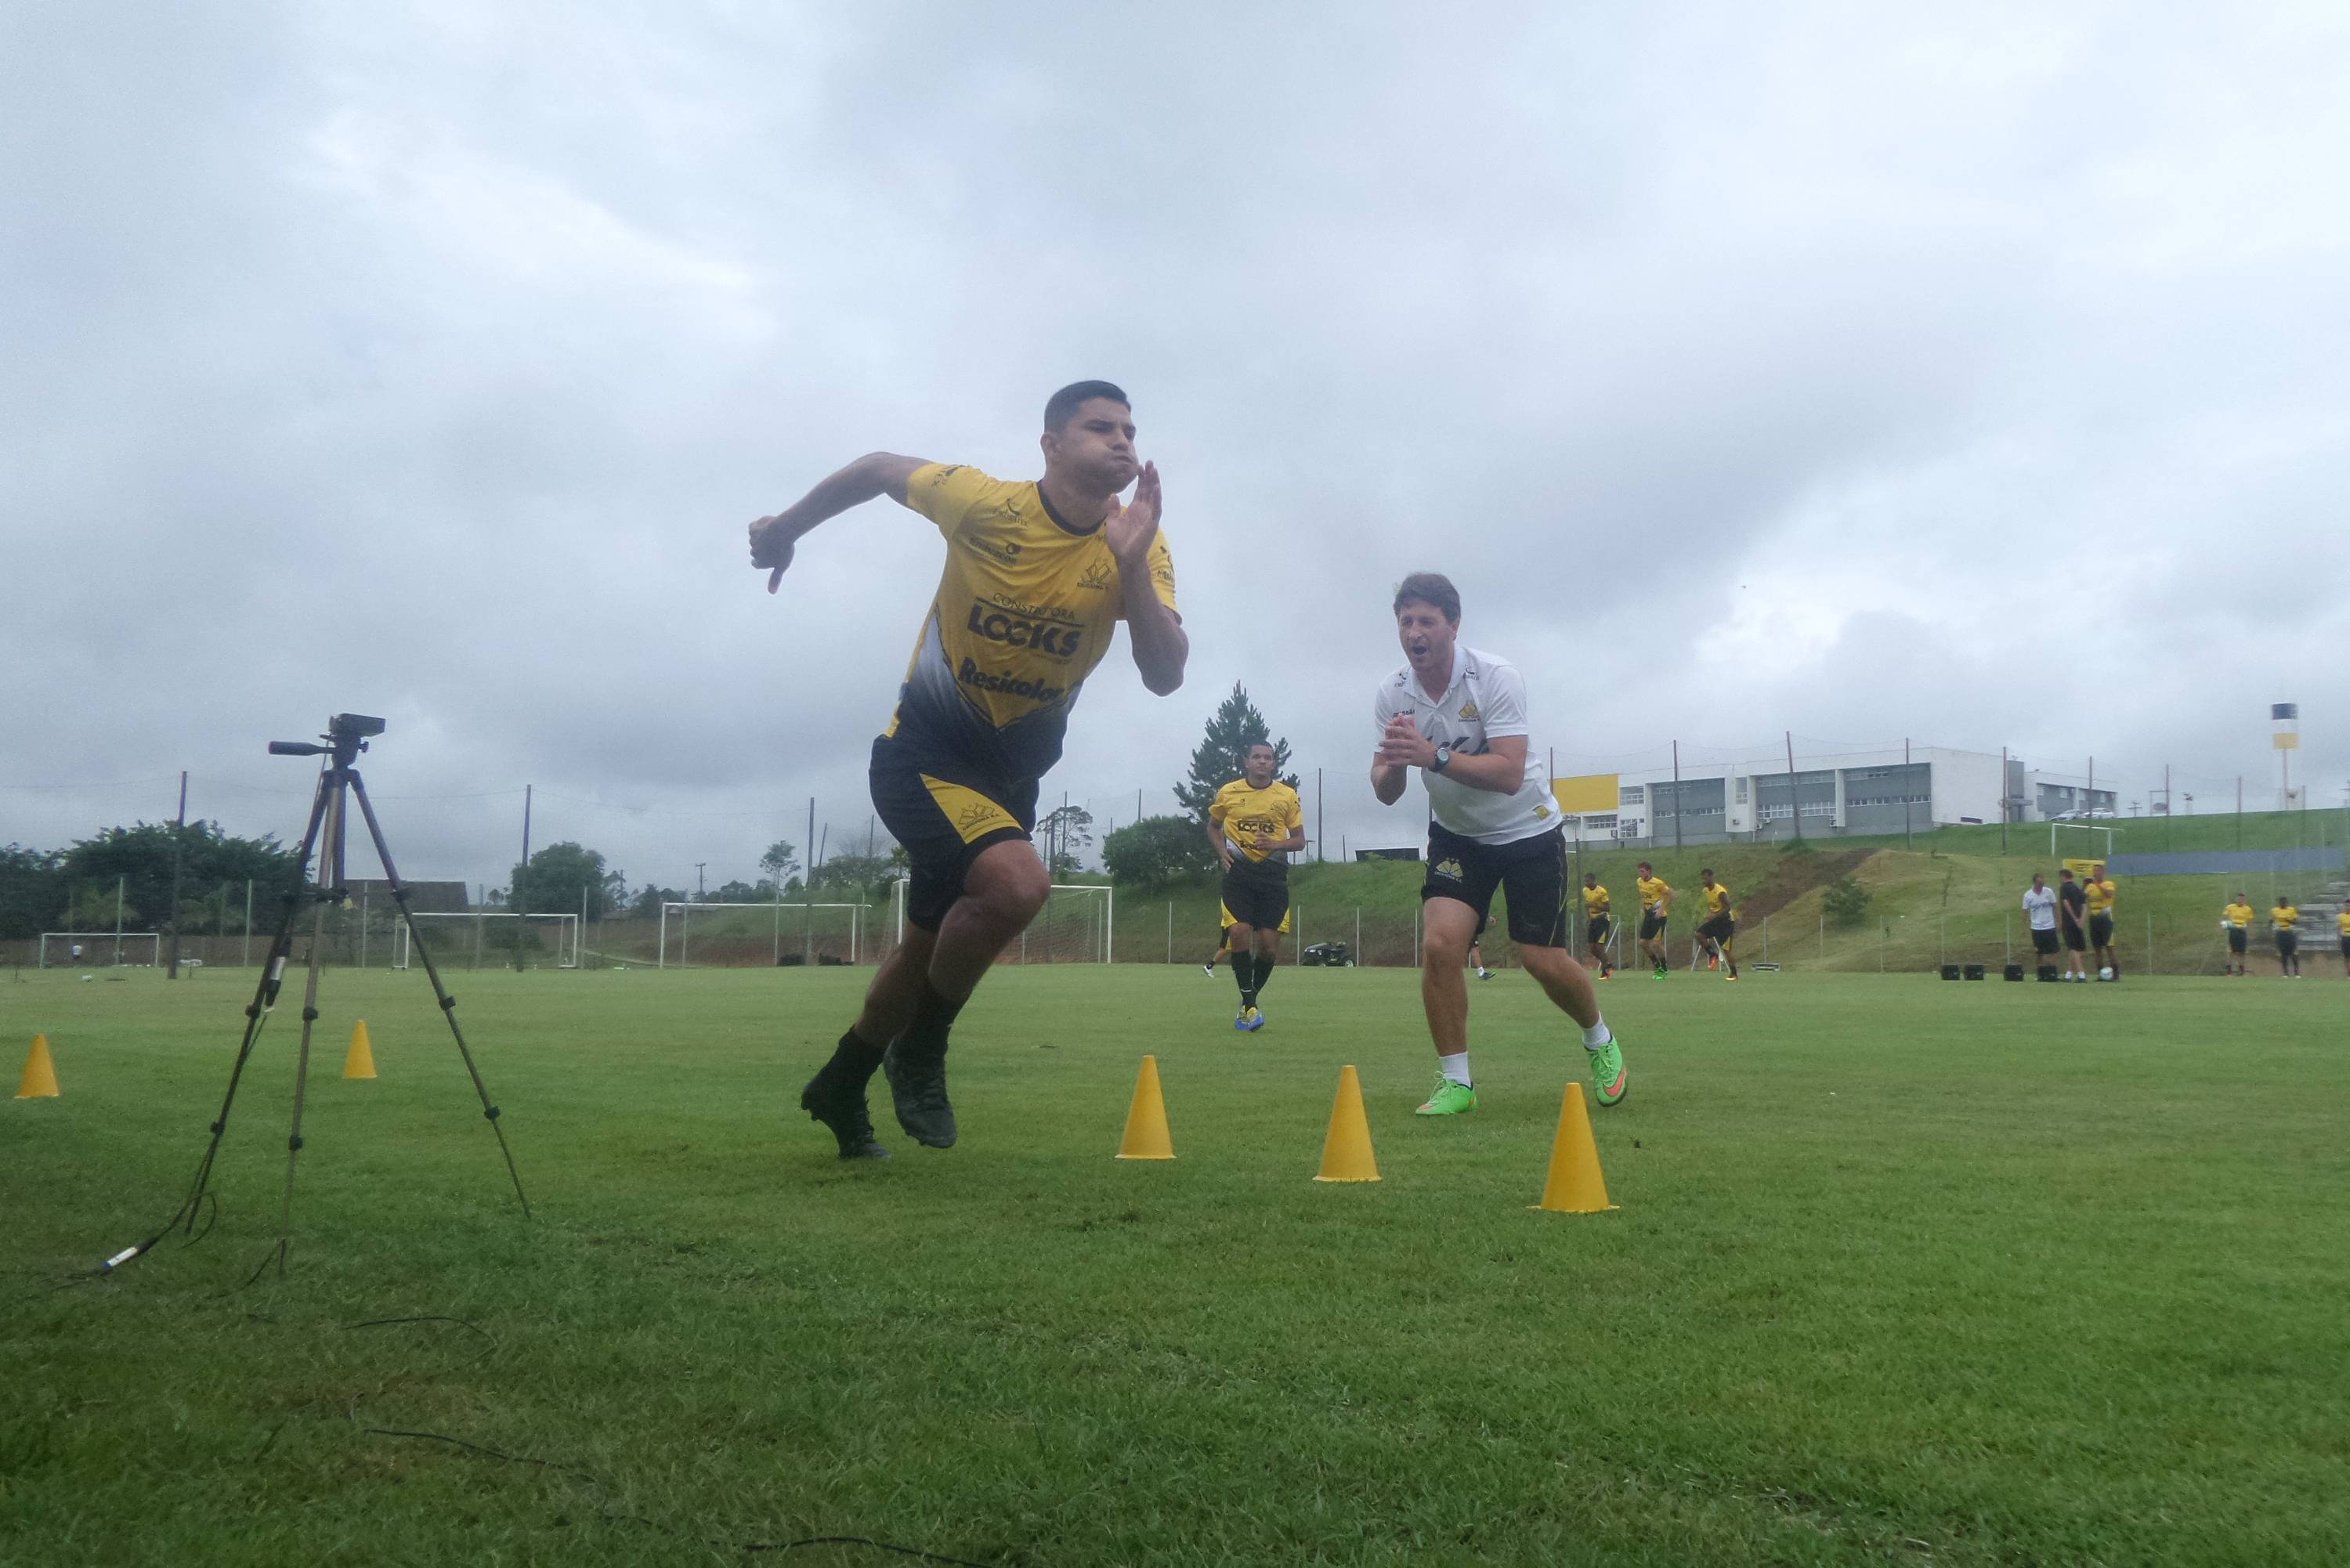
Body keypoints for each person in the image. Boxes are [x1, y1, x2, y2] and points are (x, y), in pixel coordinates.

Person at [751, 381, 1185, 1158]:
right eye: (1099, 428)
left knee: (924, 951)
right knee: (1019, 884)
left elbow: (1165, 674)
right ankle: (921, 1049)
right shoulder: (985, 505)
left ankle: (842, 1082)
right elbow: (880, 468)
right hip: (922, 756)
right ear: (1051, 445)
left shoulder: (1140, 542)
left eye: (1129, 429)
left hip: (1007, 781)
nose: (1122, 441)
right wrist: (786, 528)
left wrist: (1128, 569)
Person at [1369, 572, 1625, 1116]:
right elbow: (1386, 791)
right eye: (1405, 622)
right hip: (1457, 837)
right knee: (1441, 947)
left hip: (1527, 830)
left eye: (1426, 622)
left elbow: (1509, 773)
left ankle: (1600, 1039)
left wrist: (1432, 755)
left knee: (1540, 958)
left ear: (1453, 625)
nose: (1414, 633)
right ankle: (1457, 1082)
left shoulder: (1496, 677)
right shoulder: (1393, 693)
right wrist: (1392, 763)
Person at [1207, 741, 1305, 1030]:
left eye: (1268, 758)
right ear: (1246, 762)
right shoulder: (1229, 792)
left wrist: (1275, 843)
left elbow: (1299, 841)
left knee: (1268, 947)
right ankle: (1250, 1005)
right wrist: (1222, 851)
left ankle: (1248, 1000)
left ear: (1274, 764)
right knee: (1239, 931)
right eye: (1256, 757)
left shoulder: (1286, 795)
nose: (1262, 762)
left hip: (1273, 876)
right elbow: (1213, 826)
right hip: (1239, 875)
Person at [1695, 869, 1739, 980]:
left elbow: (1728, 907)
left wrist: (1715, 915)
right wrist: (1709, 915)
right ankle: (1712, 955)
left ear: (1711, 877)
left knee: (1726, 949)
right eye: (1703, 878)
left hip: (1726, 922)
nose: (1704, 880)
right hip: (1715, 921)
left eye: (1706, 878)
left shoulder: (1720, 892)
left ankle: (1734, 974)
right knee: (1699, 934)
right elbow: (1712, 906)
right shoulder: (1705, 890)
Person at [1634, 861, 1673, 978]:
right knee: (1643, 943)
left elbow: (1671, 895)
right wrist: (1642, 908)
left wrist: (1662, 909)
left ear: (1649, 871)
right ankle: (1657, 966)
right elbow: (1642, 896)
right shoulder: (1639, 882)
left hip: (1659, 916)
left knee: (1656, 944)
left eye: (1643, 871)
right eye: (1640, 871)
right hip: (1649, 916)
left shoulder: (1657, 883)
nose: (1641, 873)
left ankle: (1664, 969)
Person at [2086, 862, 2120, 981]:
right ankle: (2101, 974)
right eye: (2094, 871)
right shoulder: (2090, 887)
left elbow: (2108, 894)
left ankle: (2116, 974)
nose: (2096, 873)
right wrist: (2084, 886)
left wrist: (2097, 884)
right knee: (2097, 948)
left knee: (2109, 947)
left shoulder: (2109, 884)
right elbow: (2082, 897)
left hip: (2105, 918)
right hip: (2094, 918)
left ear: (2103, 872)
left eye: (2098, 870)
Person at [2023, 873, 2060, 974]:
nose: (2041, 886)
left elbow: (2055, 907)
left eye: (2042, 883)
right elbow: (2025, 912)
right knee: (2039, 952)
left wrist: (2059, 922)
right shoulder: (2028, 895)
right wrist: (2024, 928)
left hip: (2050, 926)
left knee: (2053, 951)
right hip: (2036, 928)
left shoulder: (2049, 892)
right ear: (2035, 882)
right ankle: (2040, 973)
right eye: (2039, 883)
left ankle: (2052, 971)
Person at [2057, 868, 2090, 981]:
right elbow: (2085, 906)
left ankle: (2081, 974)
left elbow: (2066, 904)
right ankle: (2068, 975)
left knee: (2072, 948)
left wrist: (2075, 918)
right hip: (2078, 923)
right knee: (2075, 947)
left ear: (2063, 876)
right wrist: (2081, 920)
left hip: (2069, 922)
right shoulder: (2077, 889)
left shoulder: (2064, 888)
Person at [1582, 873, 1614, 979]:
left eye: (1588, 881)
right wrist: (1589, 918)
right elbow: (1587, 906)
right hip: (1593, 921)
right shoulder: (1585, 890)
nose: (1586, 883)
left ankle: (1606, 972)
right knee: (1592, 948)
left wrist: (1594, 905)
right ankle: (1608, 964)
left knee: (1599, 947)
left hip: (1602, 920)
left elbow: (1607, 908)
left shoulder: (1601, 891)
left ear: (1593, 880)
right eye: (1585, 881)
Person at [2220, 891, 2254, 977]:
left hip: (2242, 931)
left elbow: (2249, 921)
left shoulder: (2248, 909)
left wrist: (2249, 931)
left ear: (2245, 900)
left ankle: (2242, 971)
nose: (2241, 901)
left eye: (2242, 899)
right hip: (2233, 930)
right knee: (2233, 951)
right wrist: (2223, 924)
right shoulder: (2230, 907)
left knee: (2242, 952)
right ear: (2236, 899)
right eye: (2239, 899)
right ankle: (2230, 972)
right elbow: (2224, 917)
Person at [2271, 895, 2301, 977]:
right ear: (2280, 903)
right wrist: (2273, 927)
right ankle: (2285, 973)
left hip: (2290, 932)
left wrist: (2288, 920)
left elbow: (2296, 922)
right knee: (2283, 953)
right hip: (2280, 932)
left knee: (2294, 952)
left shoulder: (2292, 910)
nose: (2284, 904)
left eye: (2285, 902)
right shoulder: (2275, 911)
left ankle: (2297, 973)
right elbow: (2272, 921)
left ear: (2287, 903)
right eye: (2282, 902)